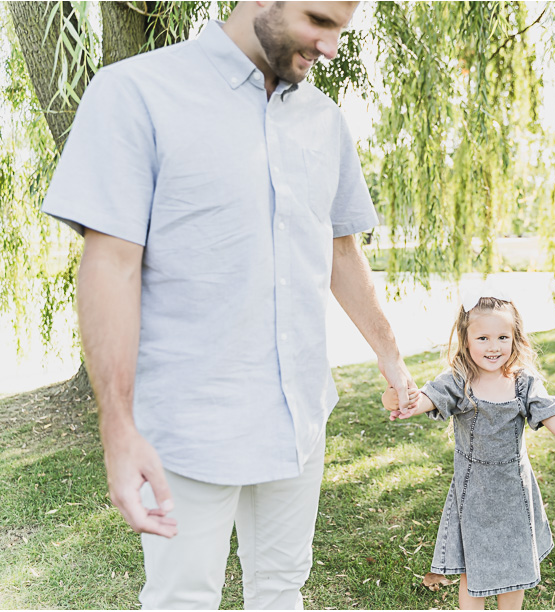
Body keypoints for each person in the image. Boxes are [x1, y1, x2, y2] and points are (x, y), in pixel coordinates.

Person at [41, 2, 416, 609]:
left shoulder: (323, 119)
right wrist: (117, 424)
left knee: (282, 590)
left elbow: (340, 250)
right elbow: (111, 265)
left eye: (341, 29)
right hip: (190, 427)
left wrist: (391, 358)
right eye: (319, 20)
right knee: (182, 600)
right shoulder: (137, 93)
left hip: (299, 417)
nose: (331, 46)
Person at [382, 293, 555, 610]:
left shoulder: (525, 383)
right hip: (473, 495)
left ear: (516, 338)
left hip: (514, 494)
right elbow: (419, 401)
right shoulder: (458, 382)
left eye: (503, 337)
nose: (493, 346)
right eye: (483, 337)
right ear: (466, 339)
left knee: (515, 569)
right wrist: (396, 397)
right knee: (474, 573)